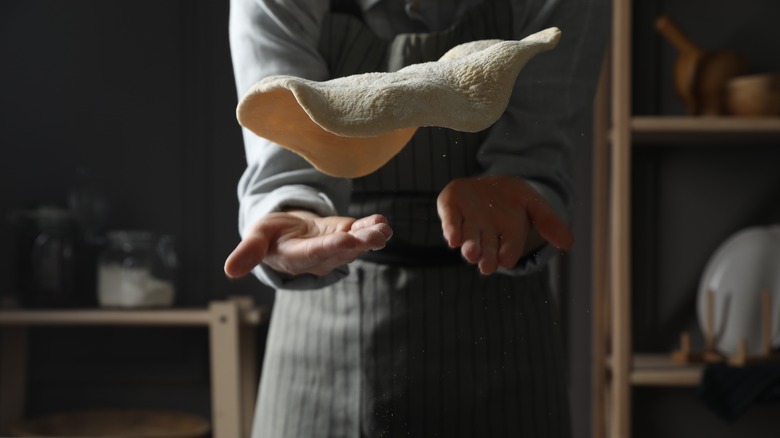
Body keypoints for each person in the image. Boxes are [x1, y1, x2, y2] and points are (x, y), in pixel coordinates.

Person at [225, 0, 608, 436]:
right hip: (321, 326)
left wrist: (520, 198)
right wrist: (292, 212)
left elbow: (540, 157)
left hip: (499, 327)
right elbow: (285, 162)